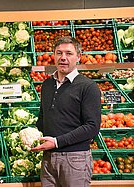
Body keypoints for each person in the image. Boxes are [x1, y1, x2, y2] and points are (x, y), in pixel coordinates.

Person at [31, 36, 101, 187]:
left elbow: (92, 127)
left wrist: (57, 142)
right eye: (59, 53)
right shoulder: (47, 85)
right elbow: (43, 118)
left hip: (75, 159)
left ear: (78, 56)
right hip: (48, 159)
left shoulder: (88, 87)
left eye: (68, 53)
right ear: (54, 56)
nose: (63, 58)